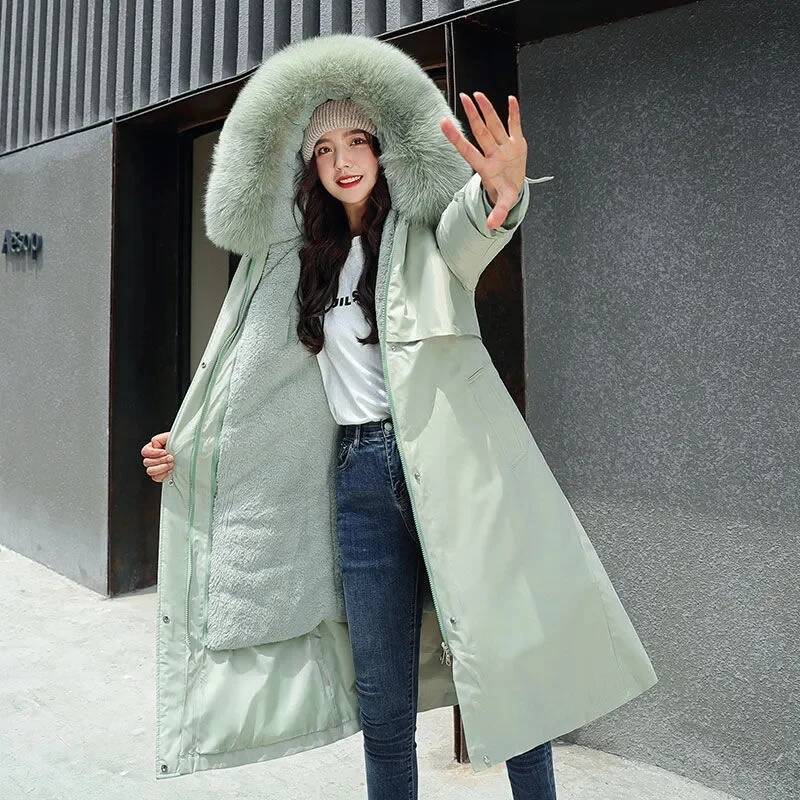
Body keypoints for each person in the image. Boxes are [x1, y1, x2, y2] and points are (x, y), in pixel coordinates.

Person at [142, 30, 656, 798]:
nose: (343, 160)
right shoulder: (299, 265)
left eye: (358, 141)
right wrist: (187, 448)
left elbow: (475, 229)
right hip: (358, 482)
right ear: (310, 167)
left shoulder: (425, 233)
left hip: (452, 471)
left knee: (514, 679)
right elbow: (248, 387)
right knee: (383, 708)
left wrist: (501, 193)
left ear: (384, 149)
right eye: (324, 149)